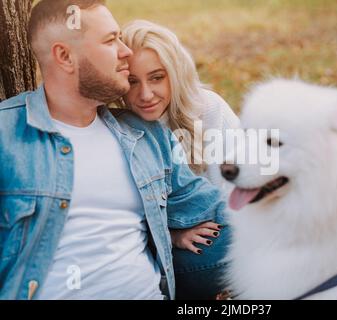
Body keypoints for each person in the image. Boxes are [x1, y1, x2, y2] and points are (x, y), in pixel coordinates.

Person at [0, 0, 228, 300]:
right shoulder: (7, 135)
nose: (126, 52)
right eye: (111, 40)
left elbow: (215, 210)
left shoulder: (147, 135)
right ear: (65, 56)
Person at [119, 20, 240, 299]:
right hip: (161, 253)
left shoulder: (208, 109)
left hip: (219, 226)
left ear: (174, 74)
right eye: (132, 81)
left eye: (157, 77)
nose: (145, 95)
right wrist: (172, 237)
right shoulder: (119, 129)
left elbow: (240, 189)